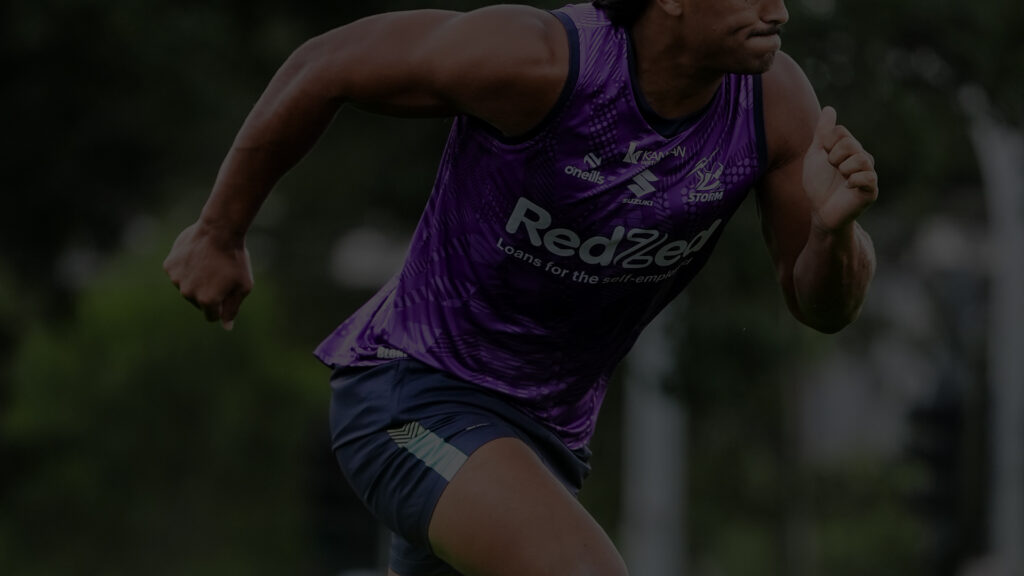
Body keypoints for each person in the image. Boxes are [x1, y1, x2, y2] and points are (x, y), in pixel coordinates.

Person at [164, 0, 878, 574]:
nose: (780, 10)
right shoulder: (538, 62)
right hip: (408, 403)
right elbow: (326, 64)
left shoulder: (774, 104)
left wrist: (832, 232)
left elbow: (820, 308)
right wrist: (220, 233)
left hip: (543, 445)